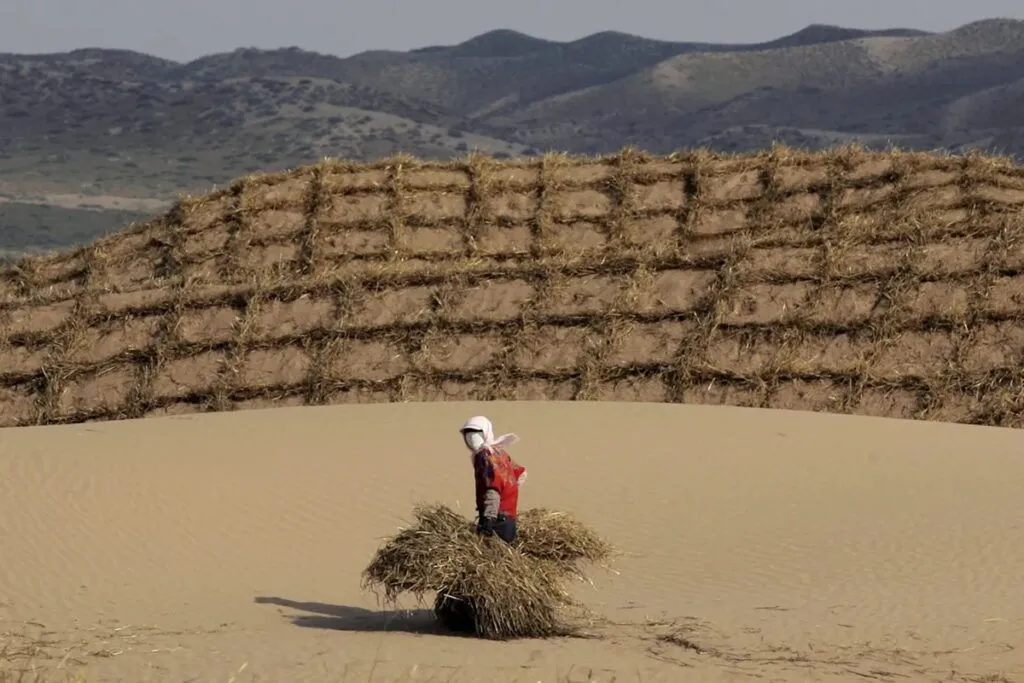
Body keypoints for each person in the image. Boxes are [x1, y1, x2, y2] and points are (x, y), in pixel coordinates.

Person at [460, 415, 527, 544]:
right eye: (468, 436)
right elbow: (521, 473)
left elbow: (492, 489)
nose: (472, 439)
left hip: (497, 520)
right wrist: (509, 493)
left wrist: (488, 520)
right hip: (508, 520)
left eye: (476, 434)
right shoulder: (498, 452)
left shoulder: (484, 456)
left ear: (485, 433)